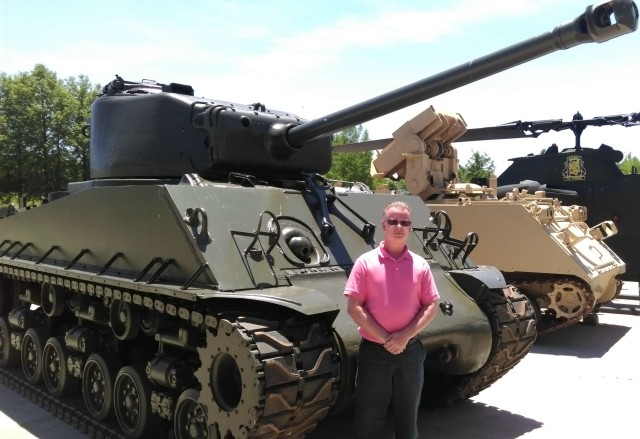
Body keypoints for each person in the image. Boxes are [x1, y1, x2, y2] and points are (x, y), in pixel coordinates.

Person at [344, 201, 440, 439]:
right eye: (393, 221)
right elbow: (354, 307)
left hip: (410, 351)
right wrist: (387, 339)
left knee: (408, 416)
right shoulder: (365, 263)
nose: (399, 226)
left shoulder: (420, 265)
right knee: (369, 416)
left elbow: (431, 306)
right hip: (375, 351)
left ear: (410, 227)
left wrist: (404, 337)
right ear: (383, 225)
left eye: (405, 222)